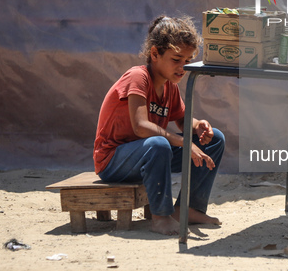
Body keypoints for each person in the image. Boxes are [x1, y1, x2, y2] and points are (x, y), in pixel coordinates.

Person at [93, 15, 225, 236]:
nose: (183, 67)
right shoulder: (137, 77)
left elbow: (182, 120)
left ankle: (187, 209)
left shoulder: (169, 86)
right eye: (176, 59)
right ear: (155, 54)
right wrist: (183, 142)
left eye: (187, 60)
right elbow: (141, 127)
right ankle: (161, 217)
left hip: (150, 155)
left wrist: (198, 126)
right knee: (158, 144)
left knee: (216, 140)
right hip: (114, 161)